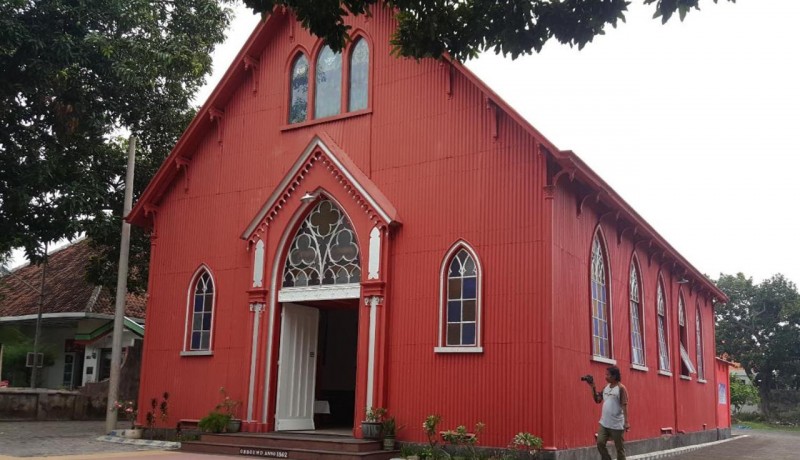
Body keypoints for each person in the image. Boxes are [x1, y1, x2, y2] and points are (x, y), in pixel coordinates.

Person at [587, 366, 629, 460]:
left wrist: (626, 422)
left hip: (617, 424)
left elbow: (624, 405)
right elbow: (597, 400)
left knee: (619, 449)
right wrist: (593, 386)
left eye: (607, 375)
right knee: (600, 443)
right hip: (604, 423)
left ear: (614, 376)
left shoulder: (621, 388)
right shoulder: (605, 388)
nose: (605, 377)